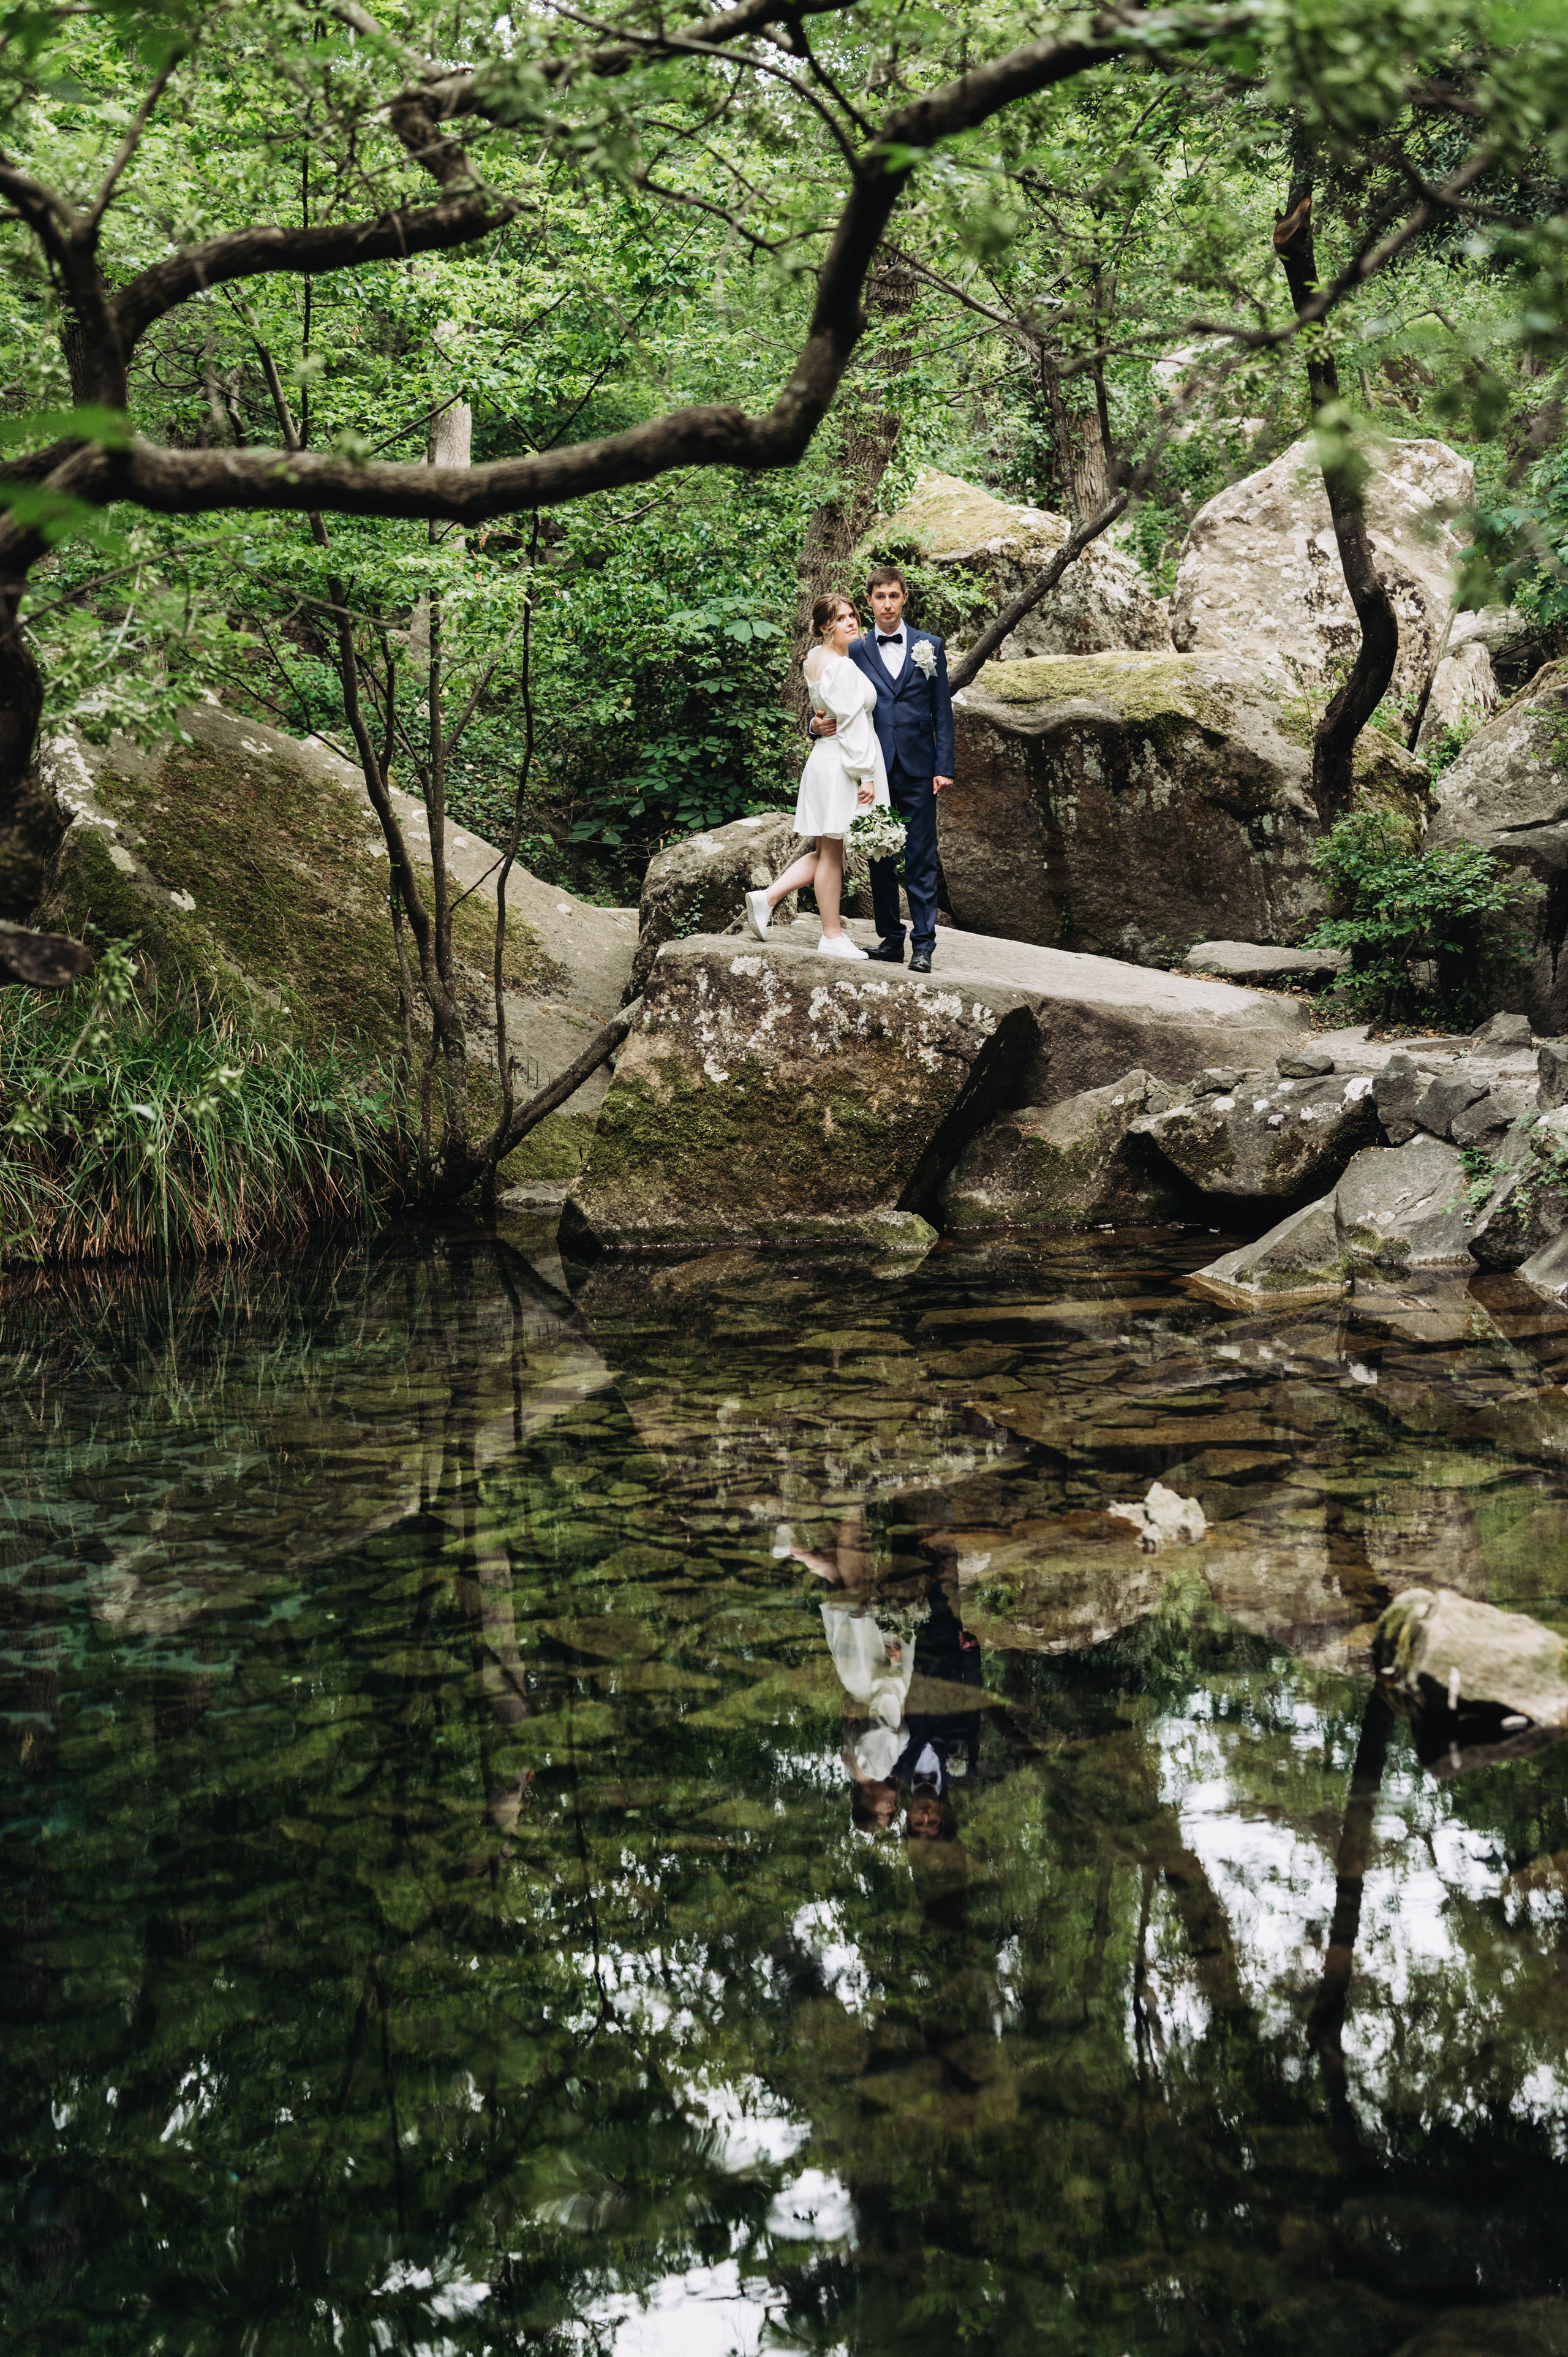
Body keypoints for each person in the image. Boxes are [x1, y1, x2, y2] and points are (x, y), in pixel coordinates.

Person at [805, 565, 955, 975]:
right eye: (879, 597)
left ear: (904, 597)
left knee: (921, 856)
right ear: (869, 601)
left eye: (893, 596)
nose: (887, 604)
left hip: (920, 768)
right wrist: (814, 726)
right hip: (873, 767)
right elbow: (832, 700)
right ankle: (891, 940)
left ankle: (923, 945)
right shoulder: (854, 648)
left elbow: (942, 710)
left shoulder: (930, 646)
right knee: (880, 855)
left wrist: (944, 766)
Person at [744, 592, 889, 961]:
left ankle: (767, 898)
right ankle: (832, 936)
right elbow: (852, 723)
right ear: (825, 627)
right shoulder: (840, 666)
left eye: (852, 615)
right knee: (833, 855)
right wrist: (866, 775)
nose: (851, 622)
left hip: (827, 756)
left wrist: (814, 724)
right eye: (841, 618)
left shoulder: (816, 659)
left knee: (826, 850)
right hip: (843, 762)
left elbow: (827, 712)